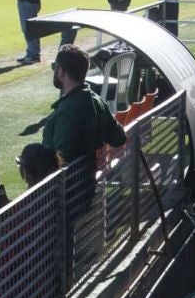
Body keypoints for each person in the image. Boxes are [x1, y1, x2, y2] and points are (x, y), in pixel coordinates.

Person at [30, 45, 126, 220]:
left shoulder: (66, 112)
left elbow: (58, 162)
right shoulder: (97, 101)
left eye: (55, 67)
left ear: (61, 71)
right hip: (87, 188)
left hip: (62, 201)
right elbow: (119, 138)